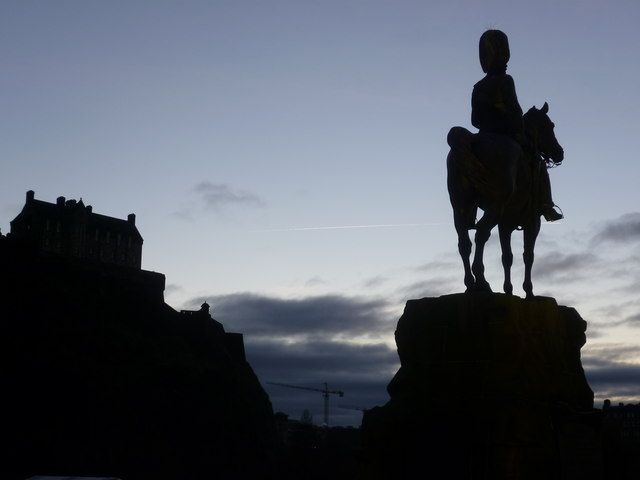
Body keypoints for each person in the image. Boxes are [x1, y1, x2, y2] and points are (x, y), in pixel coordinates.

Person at [471, 30, 562, 222]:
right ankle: (546, 204)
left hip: (483, 134)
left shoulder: (478, 86)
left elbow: (475, 120)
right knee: (537, 161)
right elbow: (515, 112)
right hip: (506, 134)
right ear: (503, 55)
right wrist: (512, 124)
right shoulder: (506, 80)